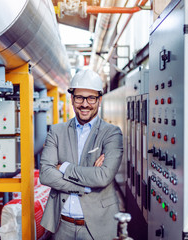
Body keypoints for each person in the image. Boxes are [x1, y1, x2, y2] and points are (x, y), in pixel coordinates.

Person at [39, 69, 123, 240]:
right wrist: (84, 186)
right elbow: (46, 175)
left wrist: (63, 167)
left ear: (99, 100)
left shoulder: (112, 134)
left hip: (98, 227)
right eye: (79, 97)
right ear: (72, 99)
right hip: (62, 224)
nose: (85, 104)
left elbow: (102, 177)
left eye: (91, 98)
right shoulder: (56, 131)